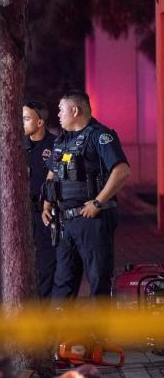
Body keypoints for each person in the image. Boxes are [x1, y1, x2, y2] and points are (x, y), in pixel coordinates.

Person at [41, 91, 130, 302]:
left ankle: (98, 334)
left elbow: (122, 170)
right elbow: (53, 173)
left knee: (98, 278)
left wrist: (98, 202)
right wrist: (47, 204)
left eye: (61, 109)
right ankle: (61, 333)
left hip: (92, 219)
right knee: (63, 281)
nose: (58, 114)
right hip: (65, 221)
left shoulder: (100, 136)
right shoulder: (62, 140)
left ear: (75, 110)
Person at [23, 101, 57, 298]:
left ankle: (43, 307)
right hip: (22, 213)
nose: (22, 123)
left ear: (40, 122)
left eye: (27, 119)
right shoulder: (16, 145)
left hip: (44, 213)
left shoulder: (55, 145)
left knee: (46, 262)